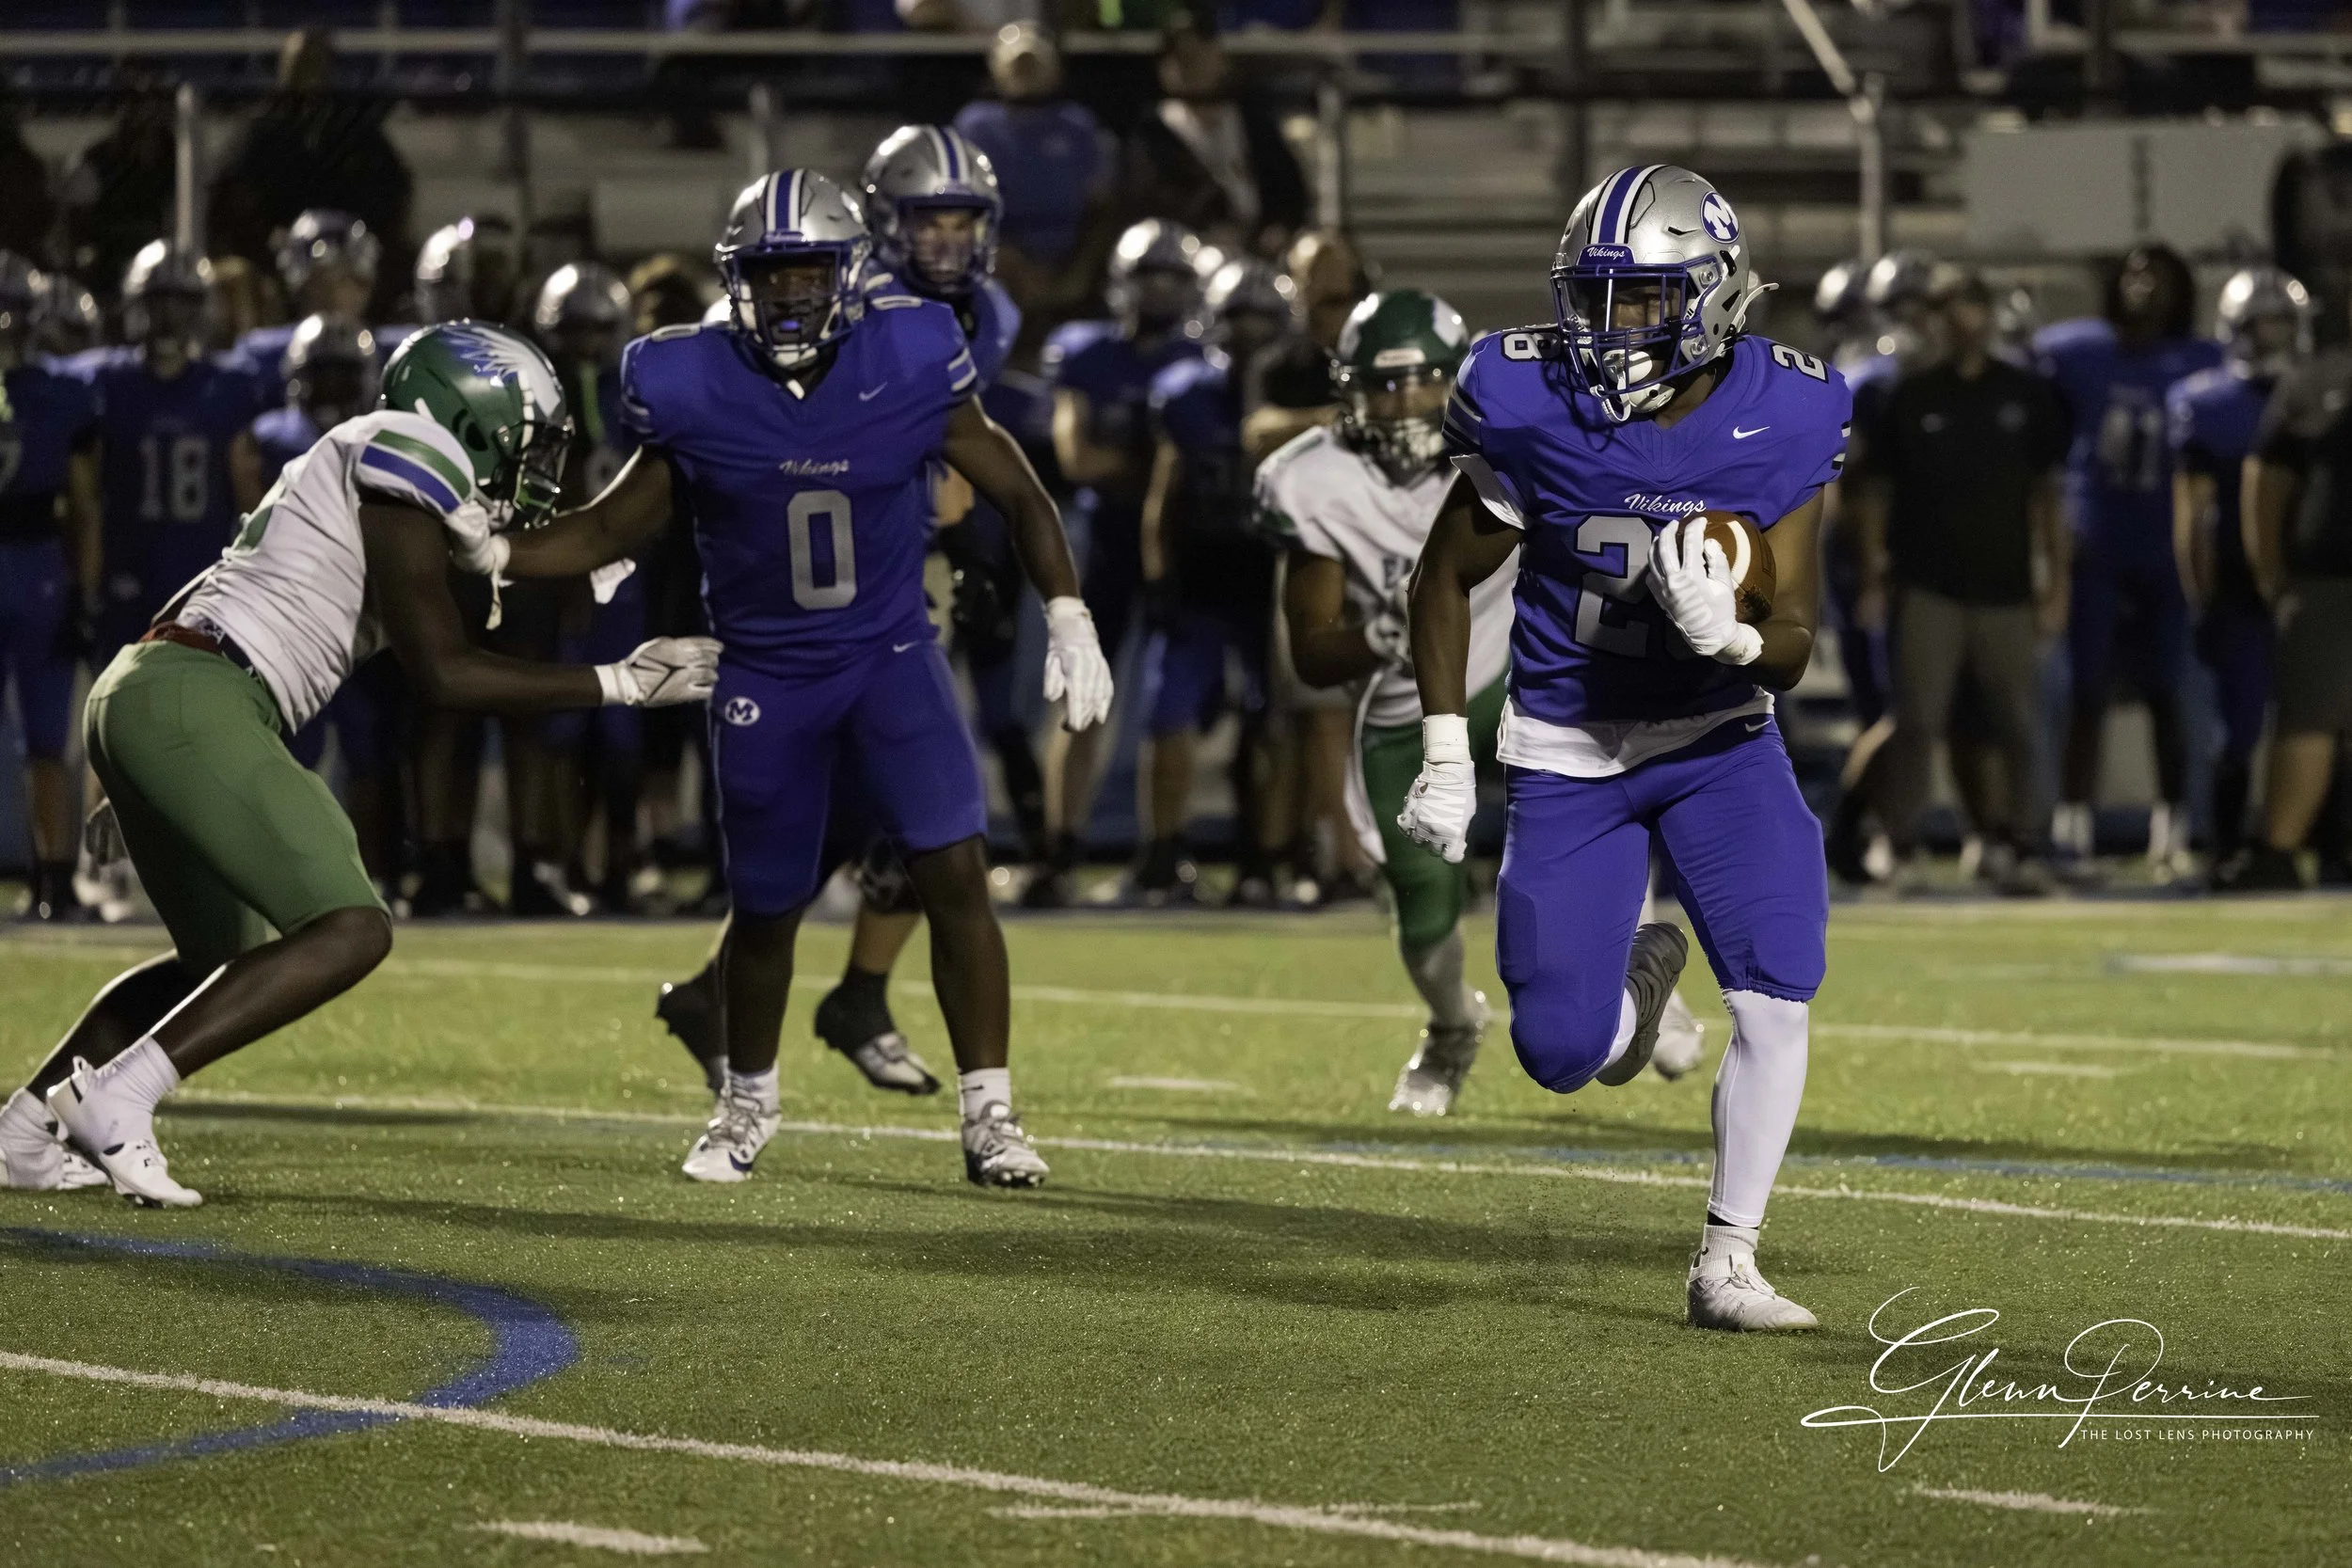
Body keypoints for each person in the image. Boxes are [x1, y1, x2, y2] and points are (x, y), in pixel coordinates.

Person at [469, 170, 1113, 1188]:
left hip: (890, 656)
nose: (791, 295)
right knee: (767, 906)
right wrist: (485, 548)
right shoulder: (686, 380)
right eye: (771, 274)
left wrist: (1068, 614)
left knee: (953, 871)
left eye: (810, 271)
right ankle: (746, 1105)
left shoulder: (908, 353)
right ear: (738, 279)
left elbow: (1019, 491)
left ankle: (990, 1113)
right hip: (763, 671)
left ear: (850, 272)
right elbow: (602, 527)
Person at [0, 322, 719, 1205]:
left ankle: (24, 1127)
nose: (536, 464)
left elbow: (223, 583)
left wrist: (142, 756)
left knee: (216, 957)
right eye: (530, 439)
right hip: (198, 698)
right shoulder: (408, 446)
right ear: (472, 411)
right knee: (351, 927)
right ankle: (121, 1091)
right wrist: (618, 682)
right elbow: (443, 672)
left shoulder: (370, 465)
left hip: (159, 687)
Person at [1406, 166, 1846, 1331]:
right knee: (1560, 1052)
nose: (1605, 329)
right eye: (1591, 297)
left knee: (1775, 991)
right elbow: (1441, 577)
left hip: (1715, 739)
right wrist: (1448, 750)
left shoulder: (1785, 409)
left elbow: (1796, 637)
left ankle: (1727, 1259)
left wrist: (1740, 634)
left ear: (1708, 296)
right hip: (1568, 744)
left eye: (1640, 301)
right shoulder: (1527, 398)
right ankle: (1642, 977)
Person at [658, 126, 1028, 1101]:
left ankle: (780, 990)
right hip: (795, 593)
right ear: (880, 223)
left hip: (896, 576)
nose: (947, 239)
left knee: (905, 812)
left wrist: (980, 547)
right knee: (876, 812)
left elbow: (955, 452)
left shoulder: (978, 316)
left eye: (963, 218)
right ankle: (839, 990)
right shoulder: (808, 305)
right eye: (926, 218)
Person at [1857, 265, 2070, 893]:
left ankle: (2019, 842)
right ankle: (1899, 841)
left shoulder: (2025, 395)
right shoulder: (1911, 393)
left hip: (2005, 584)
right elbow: (1875, 493)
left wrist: (2056, 581)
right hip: (1928, 582)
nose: (1964, 321)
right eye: (1950, 309)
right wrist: (1876, 570)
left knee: (2019, 721)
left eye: (1973, 307)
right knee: (1919, 717)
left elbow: (2047, 496)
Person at [1030, 218, 1206, 906]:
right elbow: (1079, 459)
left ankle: (1162, 852)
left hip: (1183, 551)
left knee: (1172, 708)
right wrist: (1164, 463)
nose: (1159, 291)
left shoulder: (1202, 361)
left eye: (1172, 278)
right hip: (1106, 545)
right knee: (1081, 698)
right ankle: (1060, 846)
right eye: (1148, 277)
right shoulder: (1086, 351)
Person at [2036, 245, 2222, 877]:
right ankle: (2072, 823)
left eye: (2159, 275)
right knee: (2085, 687)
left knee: (2168, 688)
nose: (2144, 285)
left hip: (2164, 544)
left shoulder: (2201, 361)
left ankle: (2173, 824)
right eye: (2135, 273)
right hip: (2097, 542)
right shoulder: (2075, 351)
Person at [1131, 257, 1293, 901]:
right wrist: (1158, 575)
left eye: (1261, 319)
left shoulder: (1295, 388)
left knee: (1271, 726)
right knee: (1168, 719)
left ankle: (1267, 857)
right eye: (1237, 317)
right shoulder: (1185, 391)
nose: (1248, 332)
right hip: (1201, 576)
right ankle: (1163, 853)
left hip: (1271, 579)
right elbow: (1163, 493)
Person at [2171, 267, 2312, 875]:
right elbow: (2190, 513)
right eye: (2264, 324)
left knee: (2319, 721)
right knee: (2240, 726)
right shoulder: (2209, 402)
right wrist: (2198, 591)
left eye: (2285, 322)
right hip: (2237, 582)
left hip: (2314, 583)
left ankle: (2324, 844)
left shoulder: (2319, 391)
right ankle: (2225, 843)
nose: (2276, 336)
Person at [82, 242, 269, 671]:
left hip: (204, 574)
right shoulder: (108, 381)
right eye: (157, 301)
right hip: (128, 571)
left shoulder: (229, 385)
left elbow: (246, 494)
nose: (167, 316)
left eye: (180, 303)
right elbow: (88, 494)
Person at [532, 261, 653, 914]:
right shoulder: (539, 396)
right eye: (572, 330)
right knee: (562, 730)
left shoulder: (634, 393)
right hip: (561, 581)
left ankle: (623, 859)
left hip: (626, 583)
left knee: (623, 736)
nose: (584, 344)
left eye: (595, 329)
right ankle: (563, 858)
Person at [2229, 299, 2352, 889]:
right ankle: (2278, 850)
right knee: (2308, 717)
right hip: (2328, 579)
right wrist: (2272, 574)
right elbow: (2267, 479)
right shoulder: (2316, 380)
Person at [0, 253, 103, 921]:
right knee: (45, 738)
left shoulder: (61, 391)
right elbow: (86, 506)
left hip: (38, 561)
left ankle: (56, 874)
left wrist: (85, 590)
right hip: (36, 564)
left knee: (47, 737)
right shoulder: (60, 389)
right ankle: (53, 877)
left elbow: (84, 503)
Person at [207, 29, 413, 299]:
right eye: (300, 64)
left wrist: (363, 239)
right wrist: (265, 241)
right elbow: (226, 198)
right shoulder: (260, 128)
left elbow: (394, 185)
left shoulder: (353, 126)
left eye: (316, 63)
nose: (308, 75)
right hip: (274, 259)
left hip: (346, 253)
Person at [953, 24, 1120, 353]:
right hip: (997, 264)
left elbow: (1103, 209)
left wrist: (1075, 275)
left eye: (1033, 64)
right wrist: (1003, 260)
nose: (1025, 74)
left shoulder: (1078, 127)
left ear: (1056, 70)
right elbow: (958, 210)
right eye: (1017, 65)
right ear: (995, 67)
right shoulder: (975, 126)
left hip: (1068, 266)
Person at [1123, 17, 1308, 260]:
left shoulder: (1252, 120)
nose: (1196, 67)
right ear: (1166, 68)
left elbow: (1290, 187)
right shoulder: (1154, 134)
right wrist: (1204, 230)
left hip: (1261, 256)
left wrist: (1280, 226)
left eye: (1203, 54)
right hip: (1188, 259)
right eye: (1185, 59)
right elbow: (1153, 203)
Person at [233, 210, 382, 403]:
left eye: (345, 279)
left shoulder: (400, 352)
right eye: (320, 281)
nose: (333, 293)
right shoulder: (260, 356)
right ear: (301, 287)